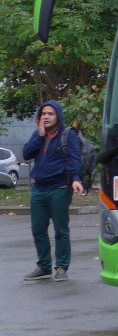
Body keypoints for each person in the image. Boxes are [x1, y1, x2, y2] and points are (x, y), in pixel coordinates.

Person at [21, 100, 84, 282]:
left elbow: (74, 159)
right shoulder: (38, 134)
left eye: (50, 114)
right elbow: (26, 154)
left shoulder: (67, 134)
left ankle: (62, 267)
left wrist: (76, 179)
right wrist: (39, 136)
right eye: (43, 114)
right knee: (38, 230)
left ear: (58, 116)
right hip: (39, 189)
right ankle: (44, 266)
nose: (46, 117)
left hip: (60, 188)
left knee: (60, 230)